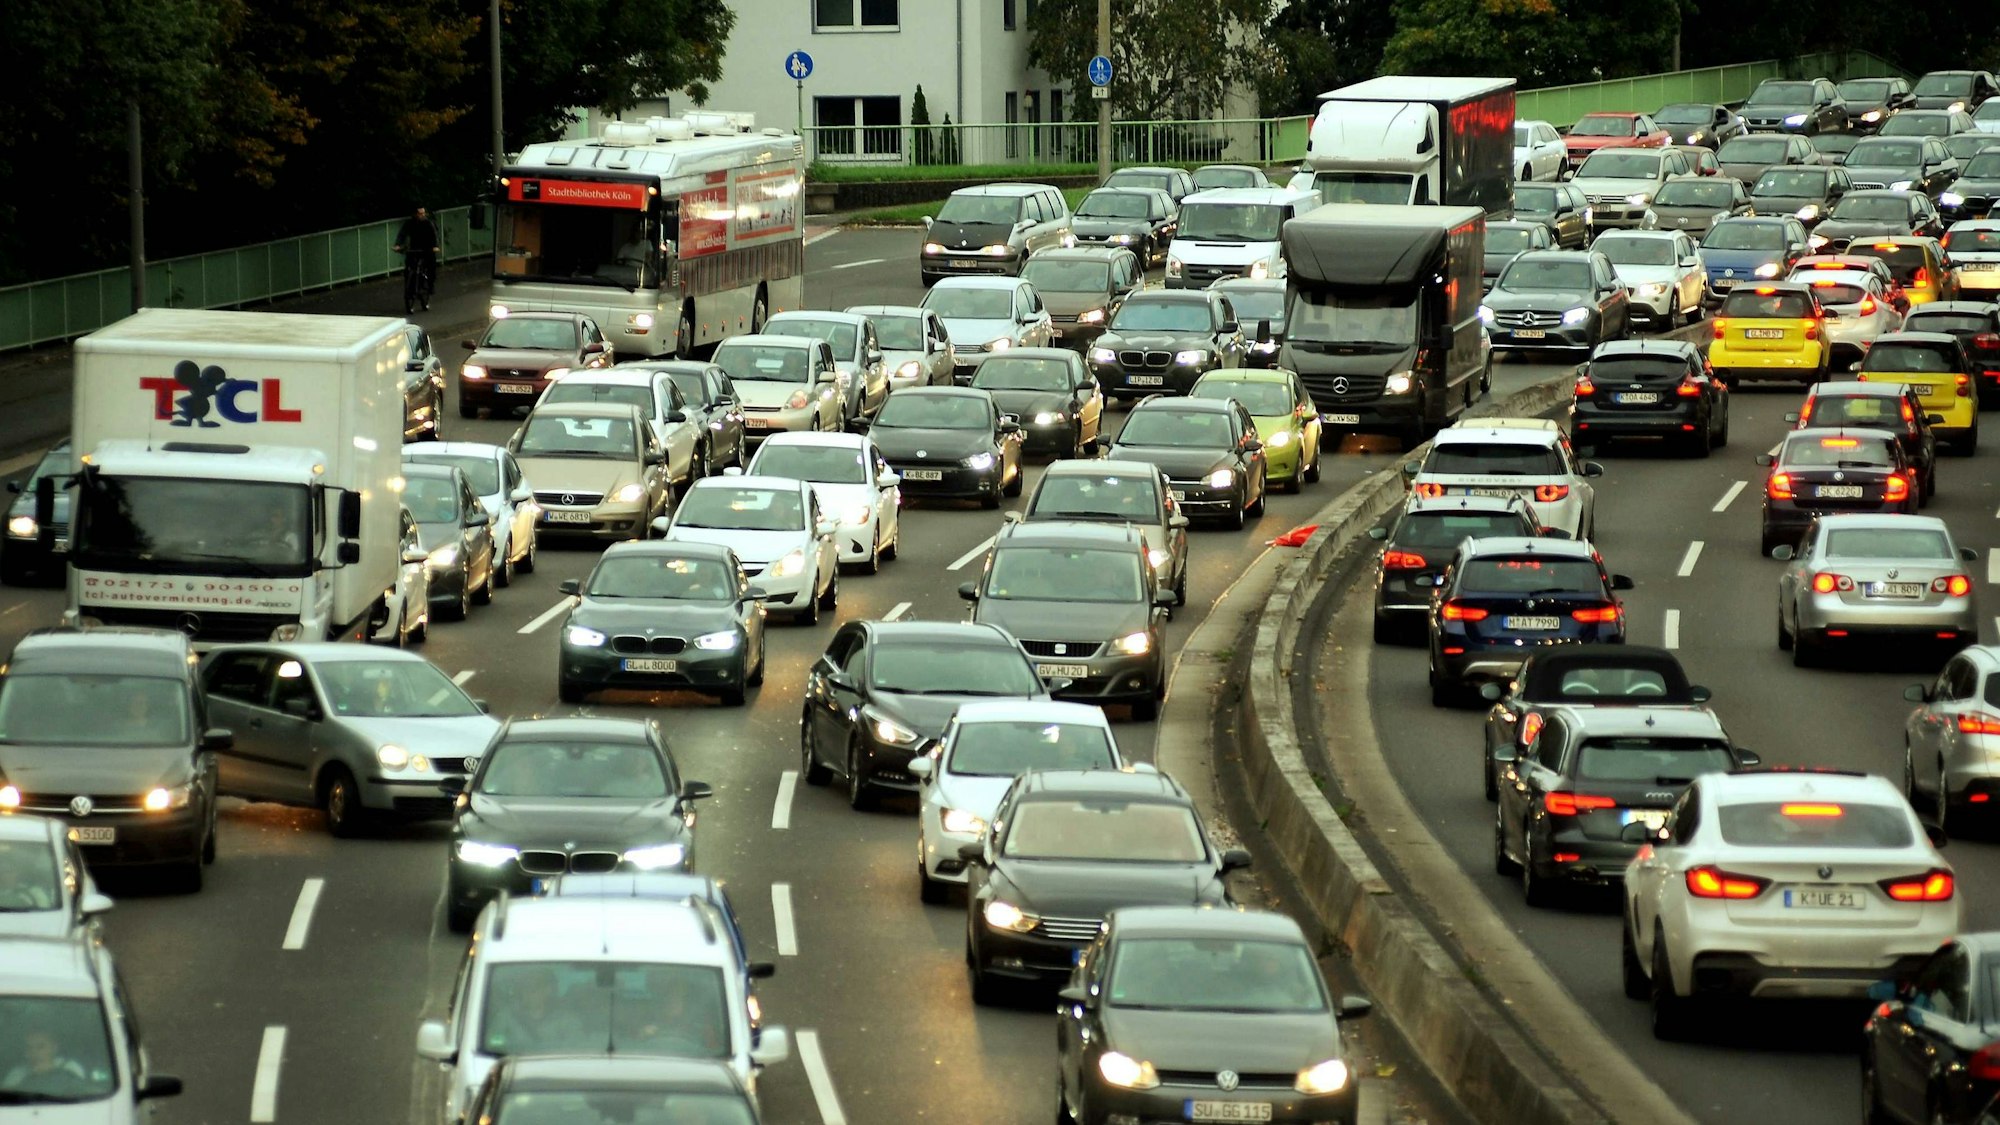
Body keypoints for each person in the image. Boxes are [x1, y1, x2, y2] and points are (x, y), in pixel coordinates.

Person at [2, 1029, 91, 1096]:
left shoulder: (70, 1067)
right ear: (25, 1052)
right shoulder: (17, 1074)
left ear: (54, 1048)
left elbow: (81, 1094)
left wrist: (52, 1072)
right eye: (29, 1047)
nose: (34, 1052)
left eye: (41, 1047)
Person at [393, 207, 441, 312]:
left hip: (427, 248)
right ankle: (409, 288)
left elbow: (434, 236)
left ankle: (430, 285)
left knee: (431, 265)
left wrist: (435, 246)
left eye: (423, 213)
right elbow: (402, 234)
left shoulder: (428, 223)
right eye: (420, 213)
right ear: (415, 214)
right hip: (414, 248)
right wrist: (397, 244)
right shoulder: (410, 223)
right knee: (409, 268)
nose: (422, 215)